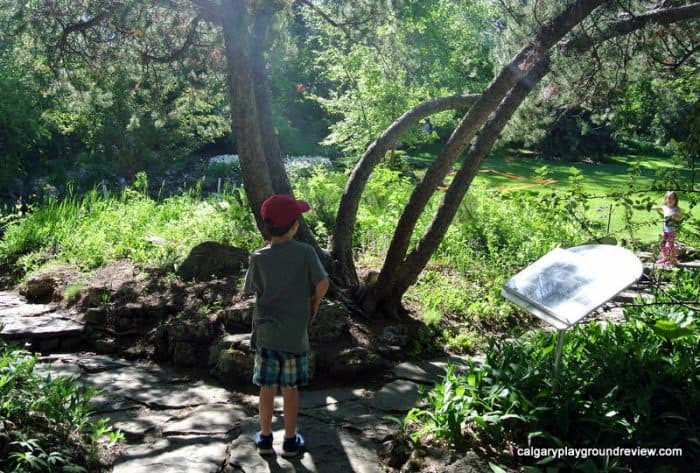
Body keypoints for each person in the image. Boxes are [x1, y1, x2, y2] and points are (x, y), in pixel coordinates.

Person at [243, 194, 329, 457]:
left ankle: (266, 439)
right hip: (294, 336)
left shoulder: (258, 257)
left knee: (266, 389)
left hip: (267, 334)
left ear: (267, 227)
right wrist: (314, 303)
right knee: (290, 390)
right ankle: (290, 441)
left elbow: (252, 289)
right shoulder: (306, 253)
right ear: (294, 227)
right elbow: (323, 283)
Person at [652, 191, 682, 265]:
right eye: (668, 198)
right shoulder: (664, 207)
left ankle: (673, 260)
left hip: (672, 231)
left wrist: (676, 216)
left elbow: (679, 218)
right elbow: (655, 208)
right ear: (665, 199)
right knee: (662, 244)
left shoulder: (677, 209)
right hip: (665, 230)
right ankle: (666, 258)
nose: (670, 200)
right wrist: (649, 206)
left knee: (670, 245)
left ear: (676, 200)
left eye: (672, 198)